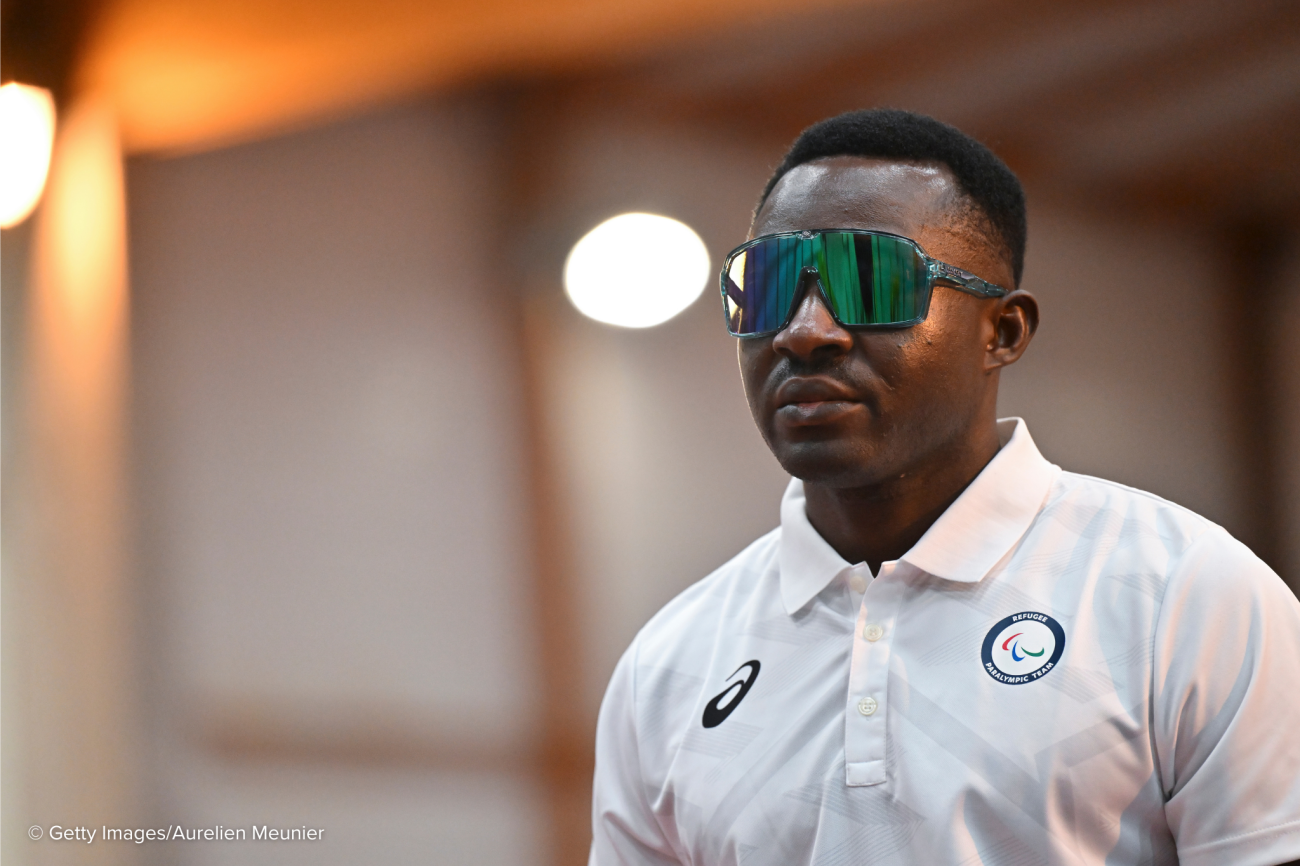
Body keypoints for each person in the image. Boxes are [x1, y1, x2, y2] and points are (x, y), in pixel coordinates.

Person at [588, 109, 1300, 866]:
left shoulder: (1182, 595)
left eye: (870, 279)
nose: (804, 331)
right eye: (764, 287)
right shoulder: (668, 666)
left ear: (1004, 333)